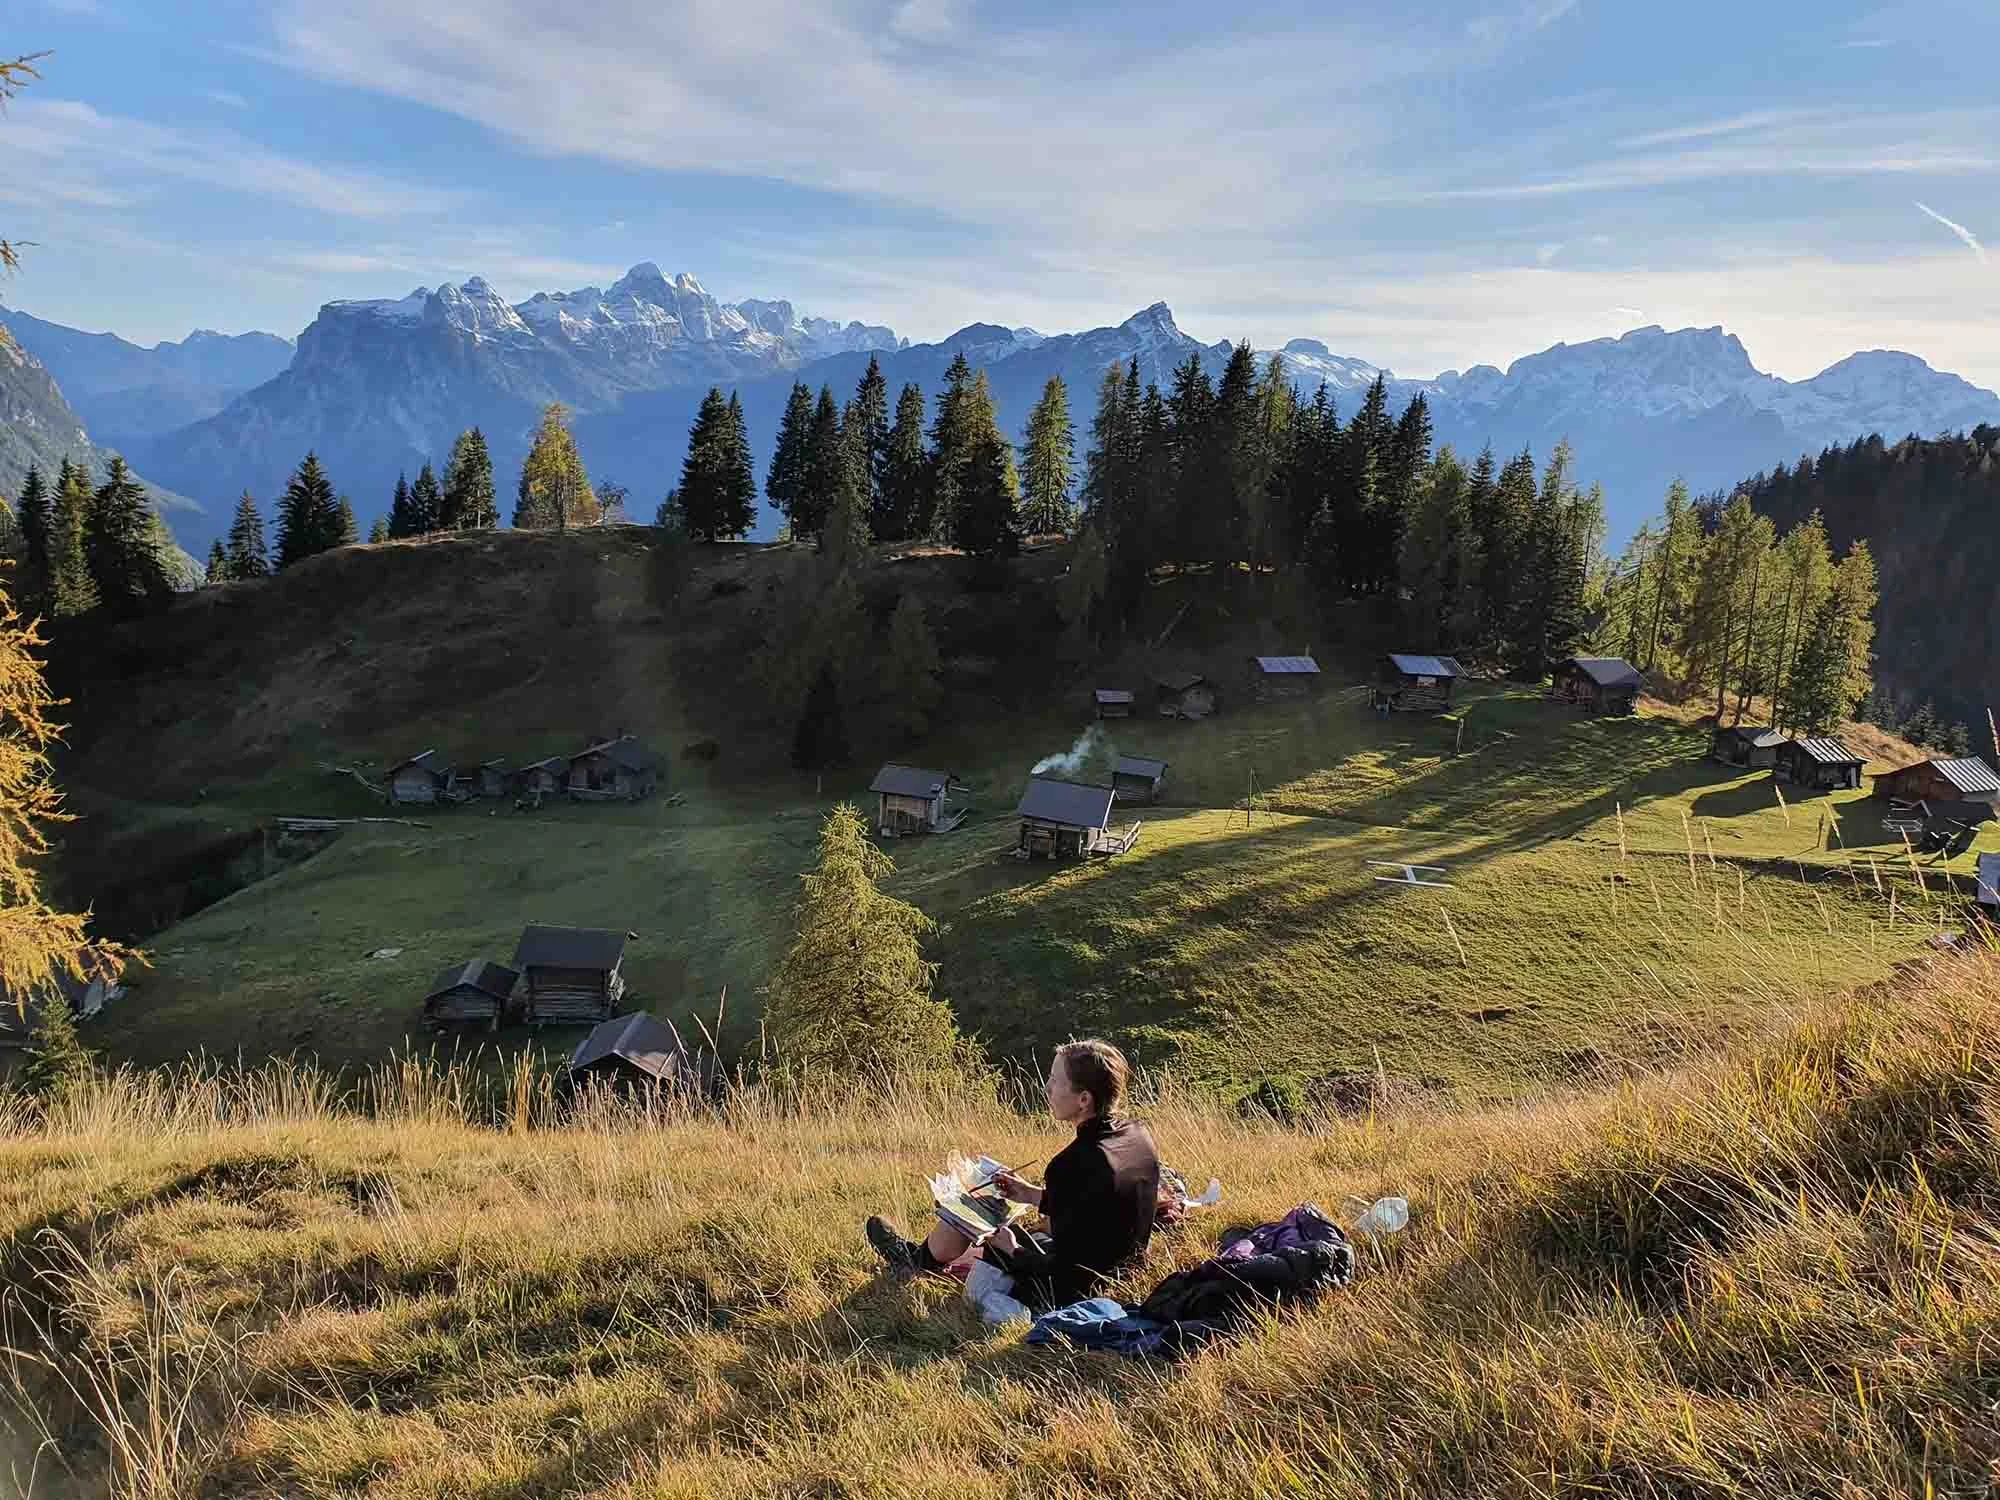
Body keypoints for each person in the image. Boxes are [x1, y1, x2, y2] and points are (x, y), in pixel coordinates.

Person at [865, 1037, 1161, 1309]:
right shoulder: (1138, 1136)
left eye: (1055, 1081)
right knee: (983, 1216)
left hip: (1066, 1292)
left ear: (1084, 1099)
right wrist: (1029, 1194)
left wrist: (1013, 1250)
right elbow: (1091, 1207)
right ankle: (918, 1260)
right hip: (1121, 1270)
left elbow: (1066, 1274)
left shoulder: (1070, 1163)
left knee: (972, 1220)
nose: (1047, 1087)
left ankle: (914, 1261)